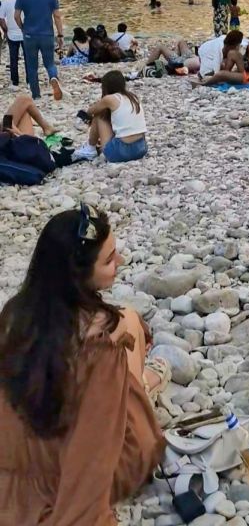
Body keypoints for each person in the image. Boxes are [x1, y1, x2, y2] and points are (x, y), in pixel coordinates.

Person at [0, 204, 166, 524]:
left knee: (127, 321)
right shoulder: (98, 346)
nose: (120, 262)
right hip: (66, 475)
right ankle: (145, 384)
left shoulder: (14, 315)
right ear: (79, 275)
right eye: (109, 259)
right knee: (127, 323)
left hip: (16, 466)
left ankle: (146, 381)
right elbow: (92, 454)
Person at [74, 71, 148, 163]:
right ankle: (92, 147)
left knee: (99, 115)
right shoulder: (133, 97)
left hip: (120, 153)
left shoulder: (110, 99)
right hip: (141, 149)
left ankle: (90, 148)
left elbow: (91, 111)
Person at [13, 0, 63, 102]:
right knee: (50, 63)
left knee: (32, 66)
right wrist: (60, 35)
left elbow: (16, 16)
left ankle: (36, 95)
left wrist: (23, 28)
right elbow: (57, 16)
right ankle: (53, 77)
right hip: (47, 34)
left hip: (29, 35)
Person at [0, 0, 26, 87]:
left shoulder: (5, 3)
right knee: (28, 58)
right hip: (25, 33)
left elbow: (1, 20)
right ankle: (29, 80)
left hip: (11, 34)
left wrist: (6, 30)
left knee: (13, 59)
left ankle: (15, 82)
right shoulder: (25, 2)